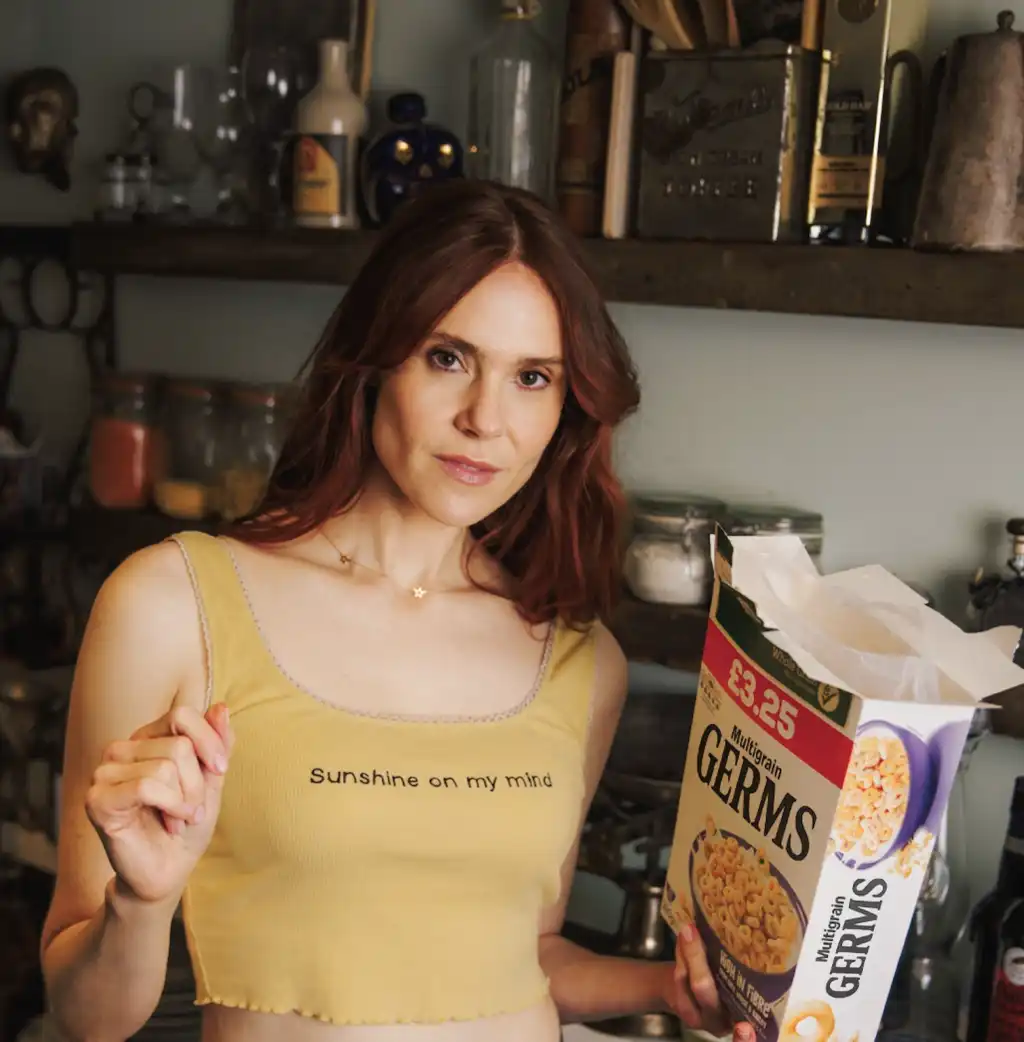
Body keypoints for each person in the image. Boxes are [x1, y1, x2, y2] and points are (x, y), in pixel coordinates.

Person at [40, 180, 753, 1042]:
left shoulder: (577, 656)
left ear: (566, 409)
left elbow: (527, 953)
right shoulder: (173, 605)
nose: (485, 419)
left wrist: (668, 989)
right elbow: (86, 1019)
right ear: (375, 358)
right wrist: (141, 903)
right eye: (448, 358)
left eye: (532, 377)